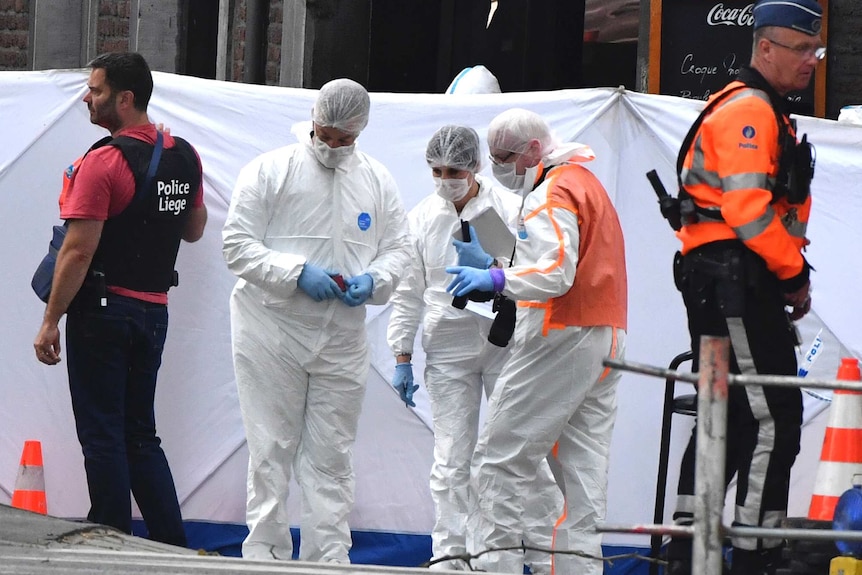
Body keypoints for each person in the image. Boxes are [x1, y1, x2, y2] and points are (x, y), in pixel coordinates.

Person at [223, 78, 412, 563]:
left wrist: (374, 279)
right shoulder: (270, 171)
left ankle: (328, 557)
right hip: (270, 329)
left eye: (342, 139)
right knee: (271, 446)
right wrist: (294, 272)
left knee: (332, 455)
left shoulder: (376, 180)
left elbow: (398, 249)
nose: (330, 147)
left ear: (359, 133)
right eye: (324, 134)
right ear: (313, 120)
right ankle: (264, 552)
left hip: (341, 337)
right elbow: (236, 246)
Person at [665, 1, 823, 573]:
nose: (811, 61)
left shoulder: (758, 108)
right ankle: (756, 555)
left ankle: (687, 552)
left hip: (728, 281)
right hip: (737, 284)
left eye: (816, 50)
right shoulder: (751, 109)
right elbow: (750, 211)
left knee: (727, 418)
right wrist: (795, 278)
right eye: (801, 49)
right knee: (775, 416)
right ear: (765, 48)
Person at [32, 52, 207, 546]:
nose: (87, 98)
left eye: (97, 90)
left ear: (125, 99)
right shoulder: (184, 155)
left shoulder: (103, 161)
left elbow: (77, 251)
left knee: (103, 435)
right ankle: (173, 545)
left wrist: (50, 321)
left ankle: (109, 538)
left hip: (103, 312)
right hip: (154, 311)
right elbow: (193, 230)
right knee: (140, 433)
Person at [446, 109, 627, 575]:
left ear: (532, 151)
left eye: (504, 157)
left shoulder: (553, 191)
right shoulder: (585, 182)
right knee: (581, 479)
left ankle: (495, 567)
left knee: (499, 461)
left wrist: (497, 277)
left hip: (559, 333)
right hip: (604, 336)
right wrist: (503, 261)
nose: (500, 167)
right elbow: (569, 259)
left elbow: (556, 272)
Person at [386, 125, 562, 572]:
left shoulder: (509, 208)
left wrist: (498, 270)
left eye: (454, 170)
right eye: (438, 170)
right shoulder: (423, 218)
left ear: (475, 167)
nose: (446, 178)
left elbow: (536, 272)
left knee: (523, 455)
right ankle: (451, 555)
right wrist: (401, 355)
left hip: (505, 344)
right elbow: (409, 290)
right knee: (450, 457)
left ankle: (546, 559)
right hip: (447, 348)